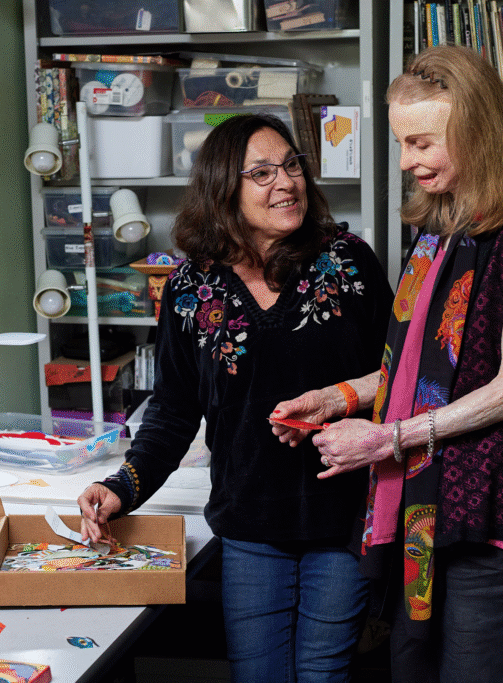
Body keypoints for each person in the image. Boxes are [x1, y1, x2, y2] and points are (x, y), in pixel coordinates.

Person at [271, 45, 503, 683]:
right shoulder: (442, 230)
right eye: (402, 144)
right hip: (430, 512)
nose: (408, 162)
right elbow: (423, 372)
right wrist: (338, 398)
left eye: (423, 144)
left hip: (499, 517)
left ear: (478, 133)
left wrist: (385, 439)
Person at [76, 112, 394, 682]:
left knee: (324, 675)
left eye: (292, 165)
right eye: (263, 172)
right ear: (225, 188)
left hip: (344, 518)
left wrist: (345, 403)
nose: (287, 182)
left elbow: (399, 377)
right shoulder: (188, 288)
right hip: (249, 525)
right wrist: (122, 485)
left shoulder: (350, 263)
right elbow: (173, 411)